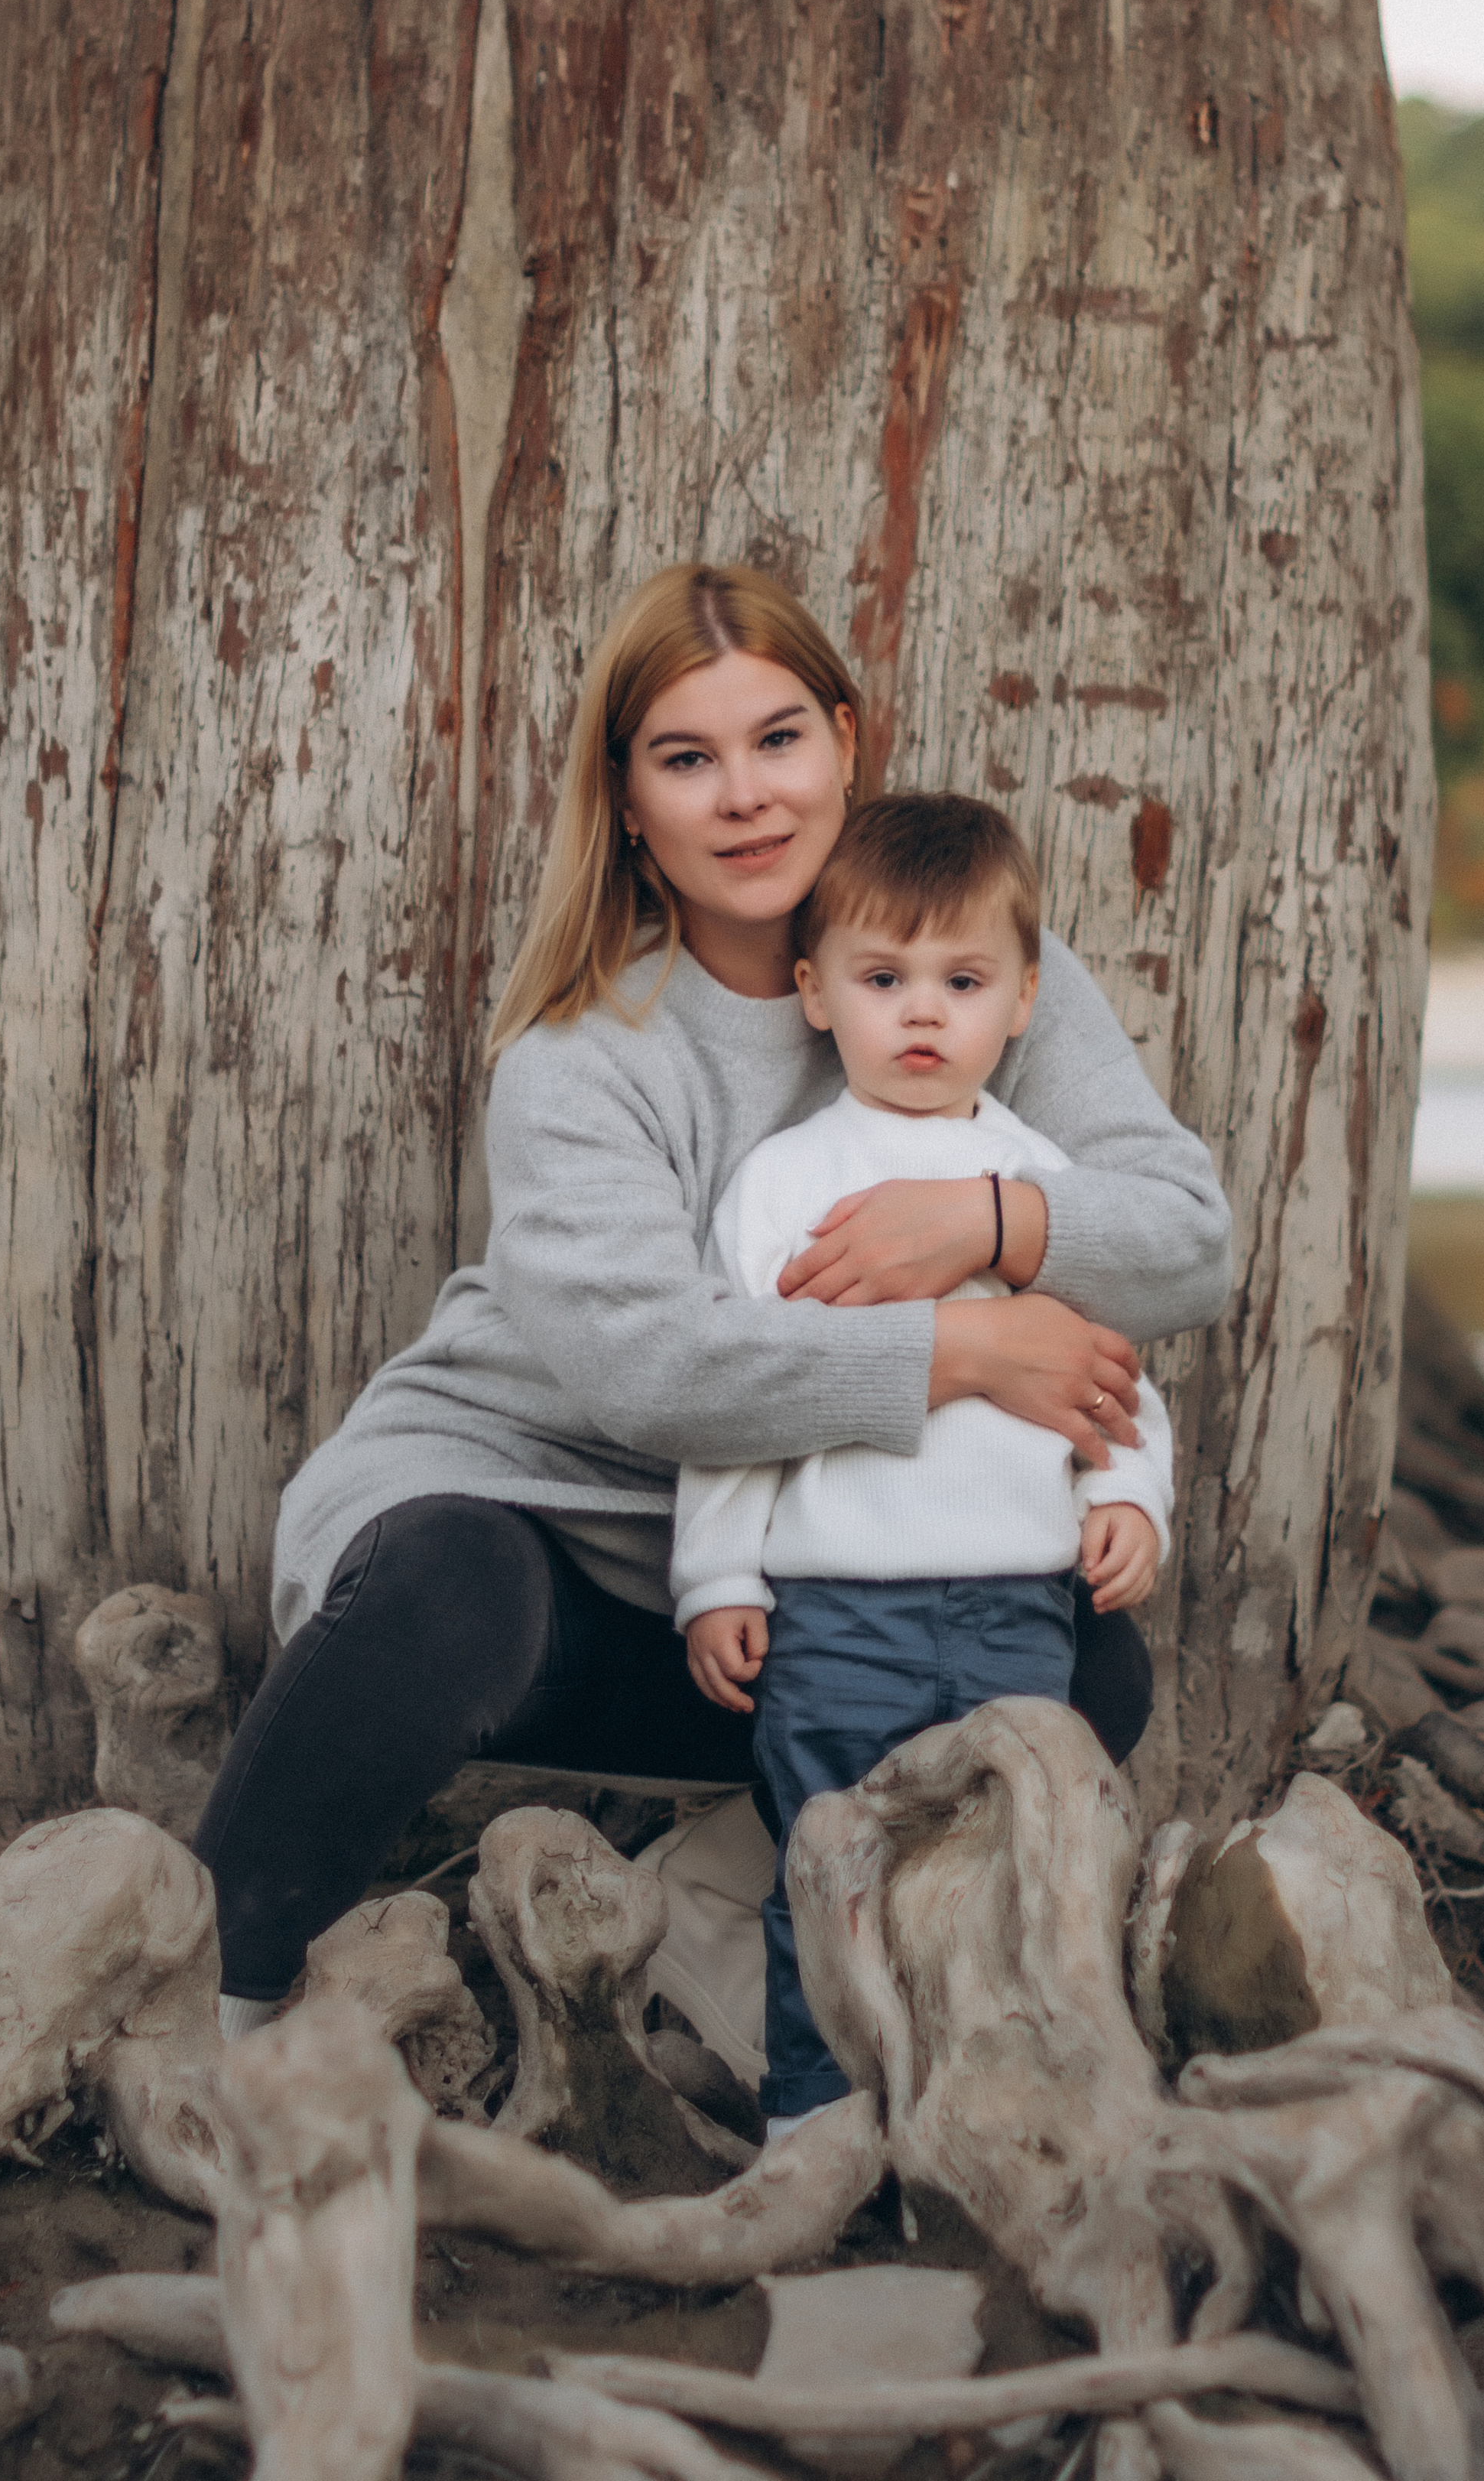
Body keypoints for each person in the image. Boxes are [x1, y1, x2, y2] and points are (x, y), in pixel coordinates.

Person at [193, 564, 1229, 2034]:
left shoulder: (975, 966)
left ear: (845, 743)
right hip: (536, 1523)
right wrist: (958, 1344)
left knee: (1082, 1661)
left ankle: (712, 1910)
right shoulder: (587, 1051)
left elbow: (1190, 1243)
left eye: (779, 740)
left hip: (791, 1573)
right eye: (687, 759)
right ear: (628, 802)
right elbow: (649, 1365)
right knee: (445, 1584)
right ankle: (205, 2005)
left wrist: (986, 1218)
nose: (746, 796)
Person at [669, 792, 1174, 2128]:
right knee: (834, 1867)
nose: (923, 1014)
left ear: (1023, 1001)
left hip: (1019, 1609)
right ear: (814, 992)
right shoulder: (783, 1184)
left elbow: (1116, 1370)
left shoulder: (1042, 1186)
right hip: (838, 1616)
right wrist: (718, 1578)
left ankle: (989, 2113)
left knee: (1006, 1868)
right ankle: (815, 2118)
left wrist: (1128, 1495)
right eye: (883, 979)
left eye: (963, 981)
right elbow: (737, 1399)